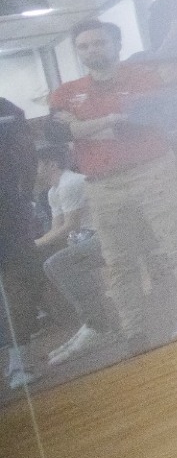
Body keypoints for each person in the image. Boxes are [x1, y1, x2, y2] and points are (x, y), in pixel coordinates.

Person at [49, 20, 177, 347]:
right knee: (118, 261)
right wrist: (111, 120)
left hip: (151, 171)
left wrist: (83, 127)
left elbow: (138, 122)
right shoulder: (66, 92)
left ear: (116, 44)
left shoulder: (143, 77)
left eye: (99, 42)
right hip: (101, 184)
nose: (91, 50)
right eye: (83, 46)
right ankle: (134, 332)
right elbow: (57, 133)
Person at [34, 145, 111, 366]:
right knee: (51, 265)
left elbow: (70, 225)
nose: (34, 170)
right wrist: (33, 247)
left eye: (37, 164)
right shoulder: (52, 191)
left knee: (58, 264)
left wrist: (32, 246)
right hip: (86, 241)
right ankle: (92, 322)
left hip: (104, 237)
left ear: (51, 164)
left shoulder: (70, 183)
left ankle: (98, 325)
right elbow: (56, 230)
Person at [0, 98, 40, 390]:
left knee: (15, 281)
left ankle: (20, 358)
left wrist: (24, 196)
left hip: (8, 211)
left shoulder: (5, 109)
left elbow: (27, 156)